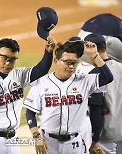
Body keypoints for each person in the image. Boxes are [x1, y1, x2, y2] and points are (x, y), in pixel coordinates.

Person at [0, 35, 57, 154]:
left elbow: (41, 70)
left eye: (12, 59)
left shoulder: (19, 75)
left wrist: (48, 52)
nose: (8, 63)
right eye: (4, 58)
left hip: (13, 139)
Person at [24, 36, 113, 154]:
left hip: (74, 144)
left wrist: (95, 55)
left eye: (74, 63)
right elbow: (30, 112)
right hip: (48, 144)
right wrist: (36, 136)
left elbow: (108, 77)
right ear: (56, 61)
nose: (71, 66)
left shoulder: (84, 81)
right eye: (68, 62)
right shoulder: (41, 82)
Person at [78, 13, 122, 154]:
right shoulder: (119, 68)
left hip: (102, 135)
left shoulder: (87, 73)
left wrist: (95, 139)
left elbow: (95, 109)